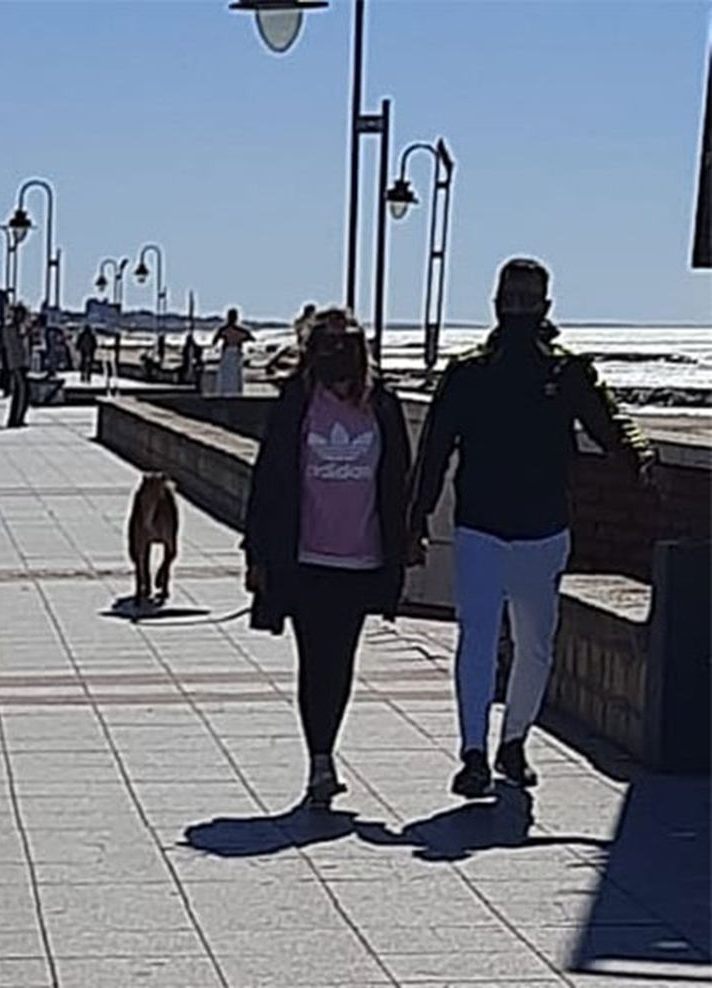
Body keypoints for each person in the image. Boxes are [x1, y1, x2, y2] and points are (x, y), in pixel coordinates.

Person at [408, 258, 653, 798]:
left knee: (536, 644)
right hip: (480, 528)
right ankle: (473, 752)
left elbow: (609, 421)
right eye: (509, 298)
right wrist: (415, 520)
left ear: (546, 304)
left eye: (528, 299)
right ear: (495, 301)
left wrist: (637, 453)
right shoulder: (468, 373)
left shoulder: (566, 372)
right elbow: (434, 451)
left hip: (544, 530)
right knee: (475, 639)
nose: (517, 307)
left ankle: (513, 740)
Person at [244, 308, 413, 808]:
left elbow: (398, 476)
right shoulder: (296, 403)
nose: (338, 354)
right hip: (304, 557)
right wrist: (257, 552)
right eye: (328, 344)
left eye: (347, 343)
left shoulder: (382, 402)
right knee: (314, 659)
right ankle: (321, 760)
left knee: (339, 661)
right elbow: (268, 477)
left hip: (362, 558)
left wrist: (408, 537)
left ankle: (325, 750)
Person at [212, 307, 255, 396]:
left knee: (228, 375)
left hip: (229, 353)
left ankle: (227, 393)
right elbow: (251, 338)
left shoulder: (224, 329)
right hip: (234, 353)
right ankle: (234, 393)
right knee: (233, 375)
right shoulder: (240, 330)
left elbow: (214, 341)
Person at [2, 305, 31, 428]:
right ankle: (15, 419)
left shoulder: (17, 328)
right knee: (21, 391)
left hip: (21, 362)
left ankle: (18, 417)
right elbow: (17, 341)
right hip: (16, 363)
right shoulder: (12, 329)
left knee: (23, 392)